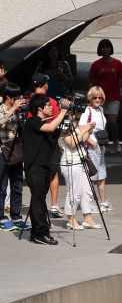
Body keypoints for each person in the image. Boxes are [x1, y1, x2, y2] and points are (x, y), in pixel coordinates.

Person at [23, 94, 70, 245]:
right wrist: (62, 111)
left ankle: (40, 231)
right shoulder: (33, 121)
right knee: (38, 199)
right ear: (39, 108)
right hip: (35, 167)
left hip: (44, 166)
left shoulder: (44, 123)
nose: (51, 108)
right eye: (48, 106)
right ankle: (39, 233)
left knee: (40, 199)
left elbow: (57, 132)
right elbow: (50, 127)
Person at [58, 110, 101, 230]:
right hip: (70, 163)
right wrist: (84, 130)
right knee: (74, 192)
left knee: (87, 190)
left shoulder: (76, 127)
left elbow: (83, 139)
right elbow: (72, 143)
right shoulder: (64, 127)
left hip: (81, 161)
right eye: (75, 115)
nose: (77, 117)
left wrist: (89, 129)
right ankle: (70, 219)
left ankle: (88, 218)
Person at [29, 72, 63, 217]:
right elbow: (56, 123)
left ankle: (38, 201)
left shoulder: (26, 101)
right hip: (49, 141)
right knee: (53, 173)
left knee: (36, 174)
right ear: (44, 85)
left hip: (32, 143)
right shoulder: (51, 102)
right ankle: (54, 205)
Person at [88, 39, 122, 152]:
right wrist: (90, 96)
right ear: (99, 49)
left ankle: (115, 141)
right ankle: (104, 143)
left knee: (112, 121)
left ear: (111, 49)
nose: (105, 49)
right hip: (99, 98)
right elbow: (91, 82)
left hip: (114, 97)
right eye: (103, 47)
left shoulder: (118, 64)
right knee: (101, 122)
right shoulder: (96, 65)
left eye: (107, 47)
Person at [79, 88, 112, 212]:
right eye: (95, 97)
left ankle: (103, 201)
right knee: (92, 175)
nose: (98, 100)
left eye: (100, 98)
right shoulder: (87, 111)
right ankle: (90, 203)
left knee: (101, 175)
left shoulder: (100, 109)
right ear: (90, 98)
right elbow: (81, 128)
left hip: (101, 146)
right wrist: (91, 141)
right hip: (92, 146)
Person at [0, 83, 25, 230]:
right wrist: (13, 109)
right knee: (2, 187)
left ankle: (16, 216)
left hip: (16, 151)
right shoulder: (1, 108)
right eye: (16, 96)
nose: (19, 99)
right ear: (8, 96)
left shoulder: (18, 110)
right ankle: (1, 217)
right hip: (2, 152)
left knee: (17, 185)